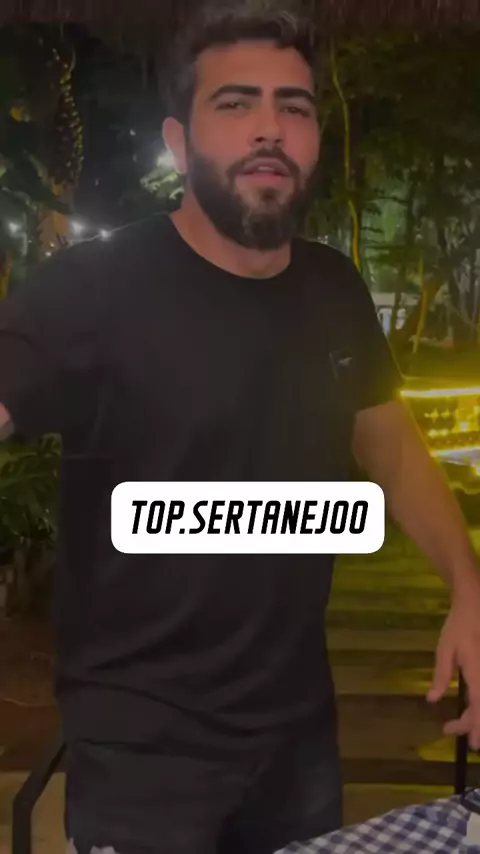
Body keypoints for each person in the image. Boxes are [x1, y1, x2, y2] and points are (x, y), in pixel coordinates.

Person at [1, 5, 479, 853]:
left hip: (298, 735)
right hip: (142, 752)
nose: (270, 128)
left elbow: (392, 446)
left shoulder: (333, 289)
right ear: (179, 142)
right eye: (235, 104)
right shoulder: (89, 291)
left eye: (294, 106)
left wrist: (469, 589)